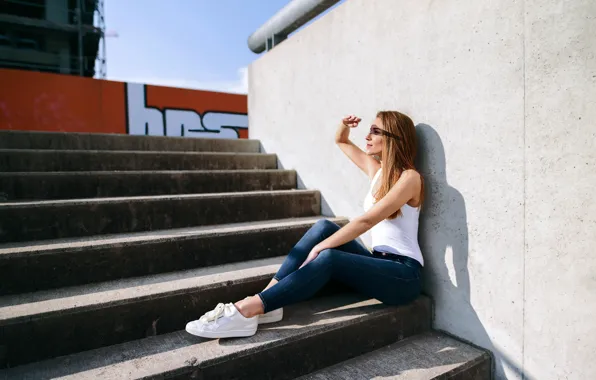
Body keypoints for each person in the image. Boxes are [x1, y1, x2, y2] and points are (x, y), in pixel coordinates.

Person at [185, 111, 425, 339]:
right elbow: (341, 141)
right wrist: (345, 125)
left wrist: (320, 248)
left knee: (329, 255)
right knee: (323, 227)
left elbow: (367, 220)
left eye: (375, 130)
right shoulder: (378, 172)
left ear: (394, 137)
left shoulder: (410, 178)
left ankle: (249, 308)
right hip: (378, 263)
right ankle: (268, 298)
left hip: (404, 275)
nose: (367, 136)